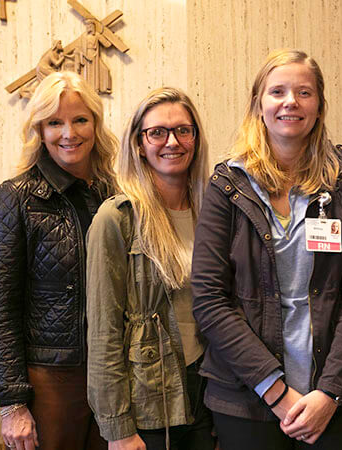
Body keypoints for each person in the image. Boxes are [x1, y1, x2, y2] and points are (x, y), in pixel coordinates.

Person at [191, 49, 342, 450]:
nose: (290, 101)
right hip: (246, 395)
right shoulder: (228, 184)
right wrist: (274, 390)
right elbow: (208, 298)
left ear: (319, 106)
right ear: (259, 104)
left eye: (304, 92)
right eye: (277, 91)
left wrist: (329, 392)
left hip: (334, 394)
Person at [0, 71, 118, 450]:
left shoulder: (116, 195)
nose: (68, 133)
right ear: (39, 129)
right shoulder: (16, 197)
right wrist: (12, 404)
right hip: (51, 379)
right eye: (54, 122)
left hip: (115, 374)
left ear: (96, 124)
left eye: (80, 120)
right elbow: (1, 308)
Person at [86, 87, 214, 450]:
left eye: (182, 130)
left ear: (195, 139)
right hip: (148, 401)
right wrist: (118, 429)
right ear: (139, 144)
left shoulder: (213, 212)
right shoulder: (118, 219)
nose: (171, 141)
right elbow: (103, 334)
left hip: (207, 391)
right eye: (157, 132)